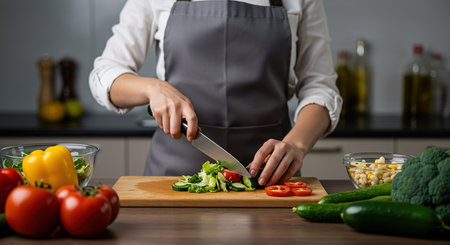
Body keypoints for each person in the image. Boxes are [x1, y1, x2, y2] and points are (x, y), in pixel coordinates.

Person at [89, 0, 342, 187]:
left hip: (270, 180)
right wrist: (152, 88)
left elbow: (320, 87)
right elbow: (104, 74)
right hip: (172, 180)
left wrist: (296, 144)